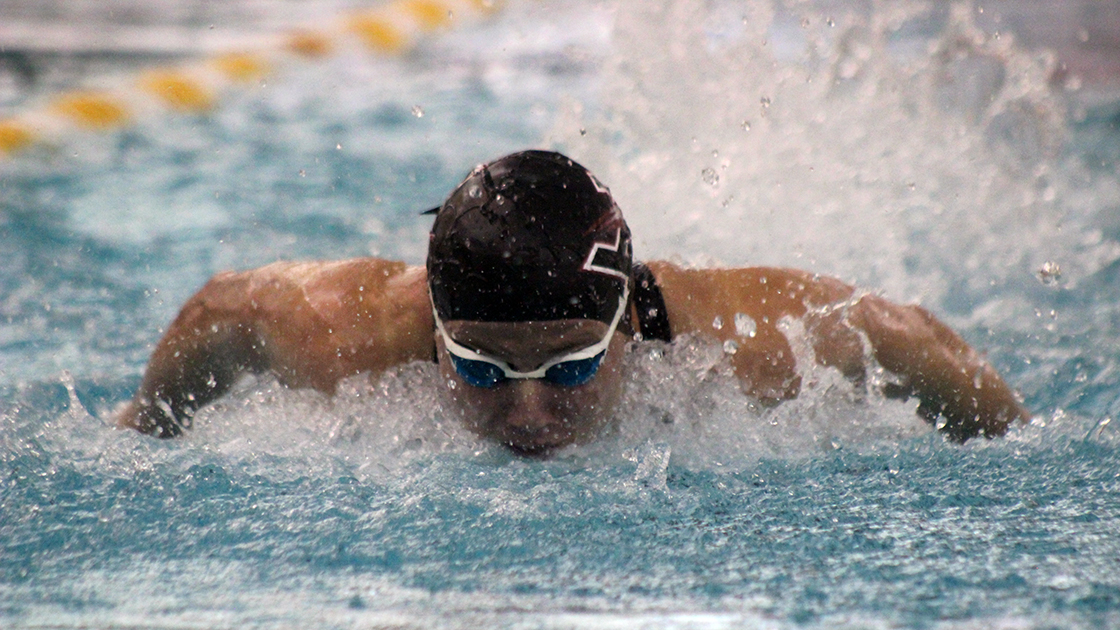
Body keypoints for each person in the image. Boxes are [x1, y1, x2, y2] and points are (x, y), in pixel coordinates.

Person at [116, 150, 1030, 455]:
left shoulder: (749, 341)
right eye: (478, 370)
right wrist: (145, 429)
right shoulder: (334, 336)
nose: (529, 411)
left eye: (573, 367)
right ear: (435, 337)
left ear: (628, 324)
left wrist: (1013, 450)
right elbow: (219, 310)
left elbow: (904, 336)